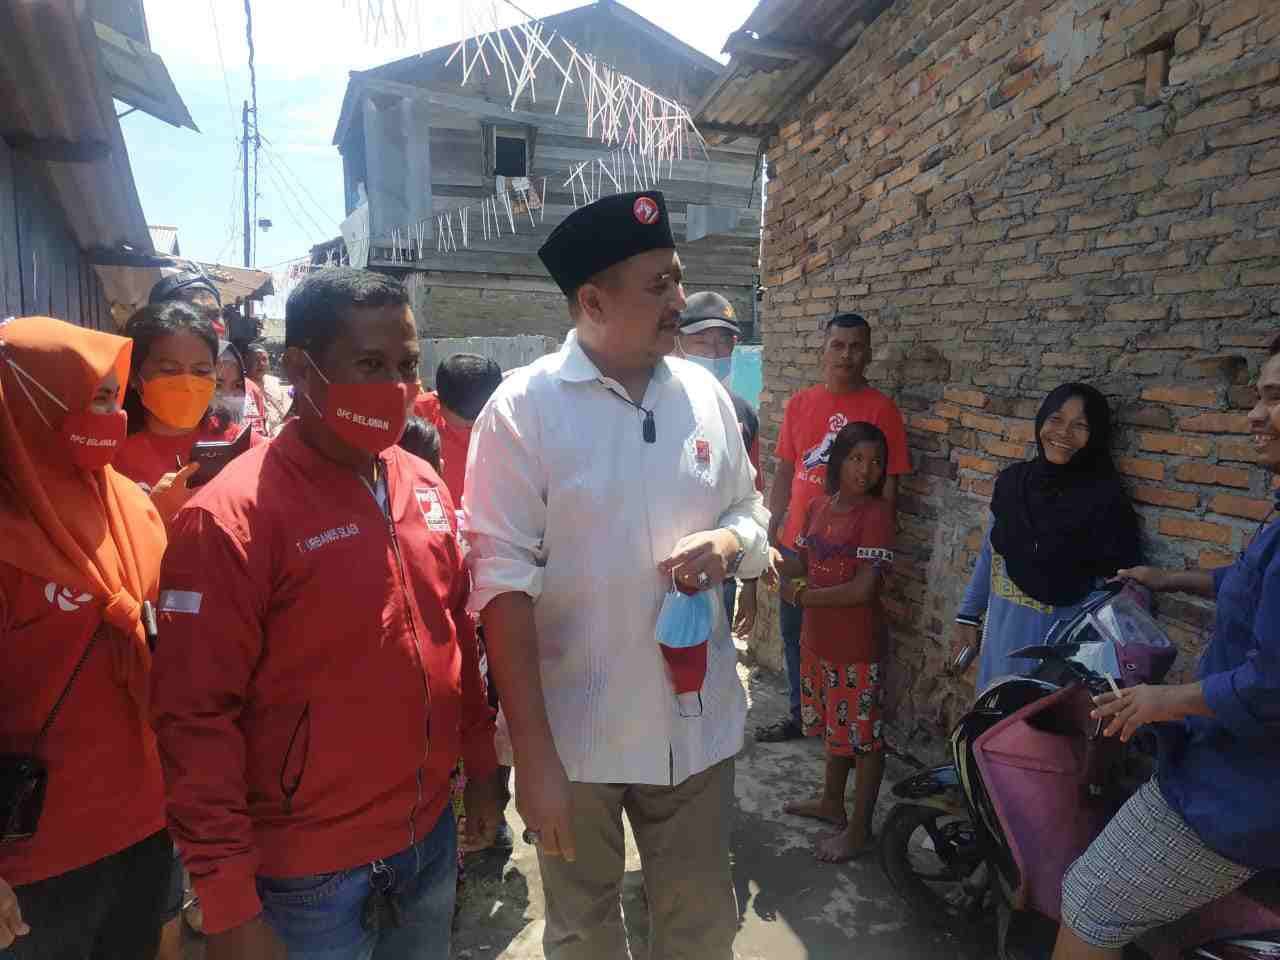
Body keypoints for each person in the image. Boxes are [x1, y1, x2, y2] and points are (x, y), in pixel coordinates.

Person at [150, 268, 499, 960]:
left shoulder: (423, 484)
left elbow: (455, 633)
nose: (395, 386)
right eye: (369, 365)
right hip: (305, 881)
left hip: (427, 842)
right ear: (301, 370)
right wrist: (226, 900)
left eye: (406, 365)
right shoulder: (229, 519)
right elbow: (194, 718)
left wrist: (482, 767)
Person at [464, 191, 769, 960]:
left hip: (692, 726)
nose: (678, 300)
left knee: (701, 928)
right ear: (593, 302)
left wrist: (728, 543)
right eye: (659, 285)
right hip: (576, 741)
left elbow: (750, 510)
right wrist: (532, 756)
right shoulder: (524, 410)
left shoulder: (705, 395)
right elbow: (500, 590)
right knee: (583, 933)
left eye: (677, 278)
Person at [1050, 341, 1280, 959]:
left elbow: (1270, 684)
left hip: (1236, 788)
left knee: (1090, 902)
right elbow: (1248, 581)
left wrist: (1162, 701)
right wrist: (1168, 578)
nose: (1255, 414)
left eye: (1275, 398)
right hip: (1218, 761)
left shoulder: (1105, 497)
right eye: (1259, 395)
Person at [0, 315, 171, 957]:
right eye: (94, 398)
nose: (113, 416)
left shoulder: (132, 504)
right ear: (31, 399)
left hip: (146, 826)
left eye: (113, 397)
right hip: (32, 865)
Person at [755, 313, 910, 743]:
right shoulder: (800, 404)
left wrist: (877, 544)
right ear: (823, 351)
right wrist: (771, 526)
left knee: (845, 636)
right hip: (797, 544)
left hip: (849, 550)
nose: (846, 355)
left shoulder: (881, 410)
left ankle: (843, 725)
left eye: (856, 346)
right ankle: (802, 715)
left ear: (869, 354)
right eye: (837, 345)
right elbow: (786, 470)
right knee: (795, 633)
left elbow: (889, 483)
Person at [952, 383, 1141, 691]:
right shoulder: (1013, 484)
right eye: (1056, 419)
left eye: (1080, 425)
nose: (1063, 433)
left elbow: (1122, 593)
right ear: (1041, 421)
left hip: (1062, 666)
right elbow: (990, 553)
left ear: (1096, 435)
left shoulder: (1107, 505)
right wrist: (968, 616)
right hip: (1002, 645)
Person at [768, 422, 894, 862]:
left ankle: (859, 831)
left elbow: (863, 589)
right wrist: (766, 559)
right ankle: (831, 802)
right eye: (857, 458)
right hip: (817, 640)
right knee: (836, 727)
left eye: (876, 462)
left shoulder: (875, 515)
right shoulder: (818, 505)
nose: (866, 470)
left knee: (865, 740)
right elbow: (802, 563)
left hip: (855, 647)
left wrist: (802, 596)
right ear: (838, 459)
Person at [115, 302, 262, 527]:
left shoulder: (243, 445)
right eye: (169, 370)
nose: (188, 384)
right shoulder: (111, 456)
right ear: (135, 376)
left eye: (201, 371)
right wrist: (153, 515)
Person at [675, 291, 762, 639]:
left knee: (712, 653)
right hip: (658, 570)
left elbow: (750, 500)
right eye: (702, 341)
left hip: (718, 571)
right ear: (677, 343)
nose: (713, 354)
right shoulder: (654, 403)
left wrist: (750, 581)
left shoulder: (741, 413)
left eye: (723, 343)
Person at [413, 354, 503, 501]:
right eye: (466, 421)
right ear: (439, 400)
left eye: (479, 417)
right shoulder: (413, 416)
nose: (472, 426)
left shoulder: (509, 422)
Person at [214, 341, 270, 439]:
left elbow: (261, 433)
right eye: (217, 386)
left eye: (237, 385)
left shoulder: (252, 389)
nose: (228, 394)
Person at [246, 343, 292, 435]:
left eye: (264, 359)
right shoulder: (243, 386)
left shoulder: (274, 382)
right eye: (256, 360)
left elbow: (285, 411)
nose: (261, 364)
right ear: (247, 362)